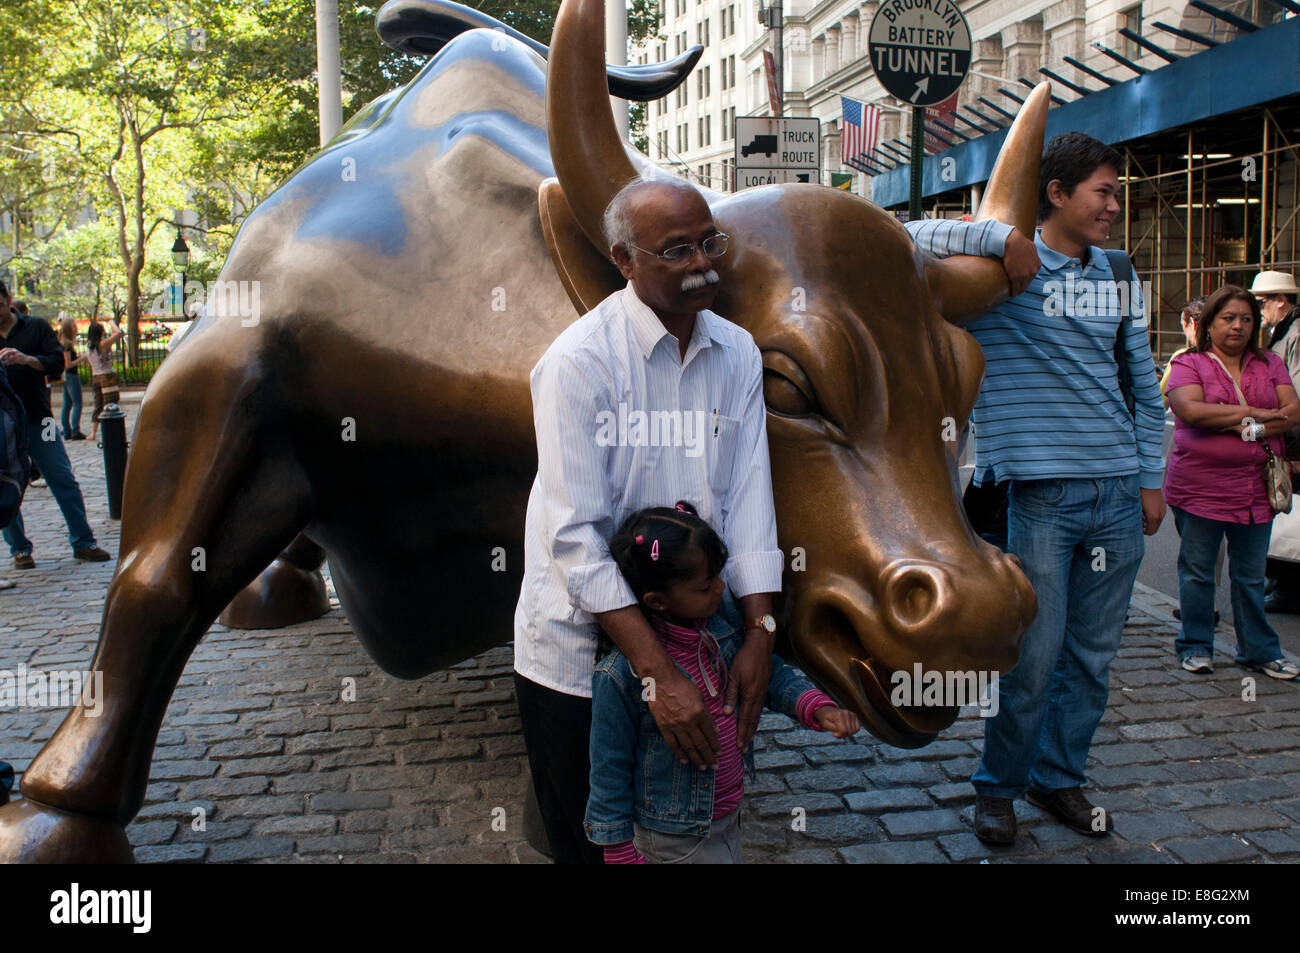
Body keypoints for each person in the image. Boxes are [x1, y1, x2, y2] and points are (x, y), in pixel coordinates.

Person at [910, 132, 1167, 846]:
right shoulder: (1000, 273)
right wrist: (995, 234)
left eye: (1118, 192)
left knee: (1091, 658)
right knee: (1031, 657)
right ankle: (997, 787)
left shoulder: (1117, 271)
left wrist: (1150, 478)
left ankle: (1059, 777)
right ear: (1055, 192)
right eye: (1104, 191)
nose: (1115, 205)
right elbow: (896, 236)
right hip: (1040, 499)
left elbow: (1144, 384)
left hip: (1116, 493)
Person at [585, 501, 859, 864]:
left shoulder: (724, 632)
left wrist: (817, 707)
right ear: (658, 601)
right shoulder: (620, 677)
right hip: (672, 838)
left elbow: (770, 676)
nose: (720, 587)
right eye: (704, 586)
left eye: (718, 574)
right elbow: (609, 768)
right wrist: (618, 851)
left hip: (727, 819)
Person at [1163, 286, 1300, 679]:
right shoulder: (1190, 363)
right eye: (1228, 318)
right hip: (1199, 489)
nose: (1238, 326)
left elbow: (1291, 413)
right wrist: (1260, 414)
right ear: (1210, 323)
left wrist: (1228, 416)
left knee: (1250, 576)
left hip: (1256, 489)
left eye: (1246, 319)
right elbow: (1190, 411)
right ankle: (1195, 645)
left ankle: (1258, 650)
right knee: (1198, 572)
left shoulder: (1269, 362)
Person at [0, 280, 111, 568]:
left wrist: (27, 359)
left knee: (62, 477)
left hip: (41, 419)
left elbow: (56, 365)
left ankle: (83, 542)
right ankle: (20, 550)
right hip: (3, 428)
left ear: (8, 299)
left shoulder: (35, 327)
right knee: (3, 488)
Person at [1250, 271, 1300, 611]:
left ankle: (1289, 588)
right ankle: (1282, 581)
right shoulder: (1284, 332)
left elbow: (1295, 394)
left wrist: (1295, 452)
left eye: (1262, 301)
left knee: (1289, 514)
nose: (1260, 309)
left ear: (1281, 300)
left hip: (1293, 441)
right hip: (1288, 438)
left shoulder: (1294, 334)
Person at [85, 318, 124, 442]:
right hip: (107, 377)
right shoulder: (102, 345)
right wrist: (111, 322)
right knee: (111, 404)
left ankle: (93, 432)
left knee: (98, 405)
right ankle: (111, 429)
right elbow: (118, 333)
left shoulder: (89, 346)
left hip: (96, 377)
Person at [57, 317, 87, 440]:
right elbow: (68, 364)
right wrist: (82, 358)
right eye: (73, 326)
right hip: (71, 375)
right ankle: (75, 430)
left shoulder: (62, 342)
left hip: (65, 376)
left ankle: (67, 429)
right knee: (77, 403)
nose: (75, 328)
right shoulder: (67, 344)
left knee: (67, 403)